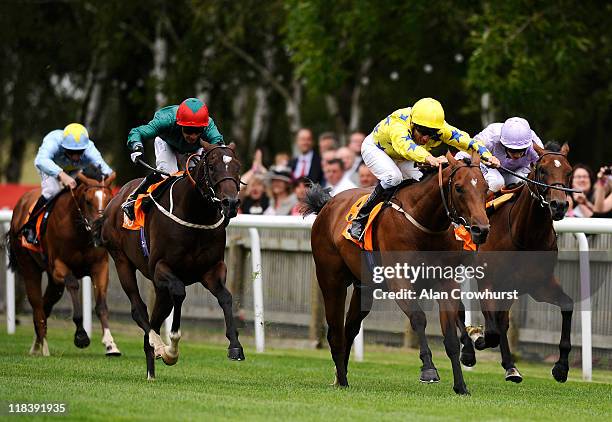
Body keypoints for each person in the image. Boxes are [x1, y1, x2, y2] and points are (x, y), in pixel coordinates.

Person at [349, 97, 499, 241]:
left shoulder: (442, 129)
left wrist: (487, 156)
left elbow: (467, 142)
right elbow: (406, 146)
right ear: (413, 124)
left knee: (422, 181)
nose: (426, 138)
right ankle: (361, 217)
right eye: (422, 131)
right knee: (393, 177)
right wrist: (429, 158)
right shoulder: (398, 124)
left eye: (432, 134)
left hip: (404, 156)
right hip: (377, 149)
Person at [122, 97, 224, 220]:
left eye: (198, 131)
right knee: (169, 173)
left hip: (194, 149)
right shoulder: (166, 120)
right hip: (166, 143)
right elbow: (137, 132)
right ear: (179, 123)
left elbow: (218, 144)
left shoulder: (209, 125)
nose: (193, 136)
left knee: (197, 176)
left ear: (204, 127)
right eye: (188, 130)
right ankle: (133, 199)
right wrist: (136, 146)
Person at [23, 123, 115, 244]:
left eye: (80, 152)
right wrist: (61, 175)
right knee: (52, 191)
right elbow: (41, 161)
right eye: (71, 152)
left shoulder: (90, 148)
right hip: (50, 167)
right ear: (63, 146)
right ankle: (31, 226)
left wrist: (104, 182)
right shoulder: (53, 142)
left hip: (75, 171)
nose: (76, 157)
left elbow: (106, 170)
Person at [468, 117, 543, 194]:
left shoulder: (535, 144)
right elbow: (468, 151)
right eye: (513, 150)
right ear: (503, 144)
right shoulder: (490, 137)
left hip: (514, 172)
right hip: (488, 167)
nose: (517, 156)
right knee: (496, 183)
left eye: (522, 150)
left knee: (524, 181)